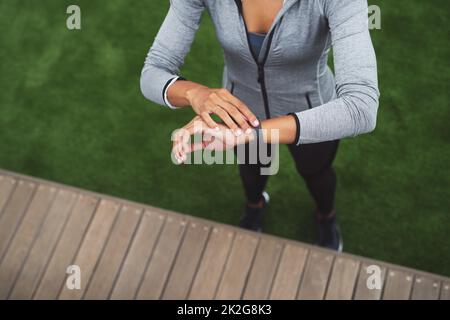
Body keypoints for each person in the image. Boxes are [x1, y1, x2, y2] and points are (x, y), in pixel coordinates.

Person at [140, 0, 380, 252]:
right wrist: (194, 93)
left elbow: (361, 107)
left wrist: (253, 133)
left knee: (315, 172)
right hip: (241, 113)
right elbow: (153, 72)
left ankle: (325, 216)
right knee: (252, 170)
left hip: (312, 113)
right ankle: (254, 207)